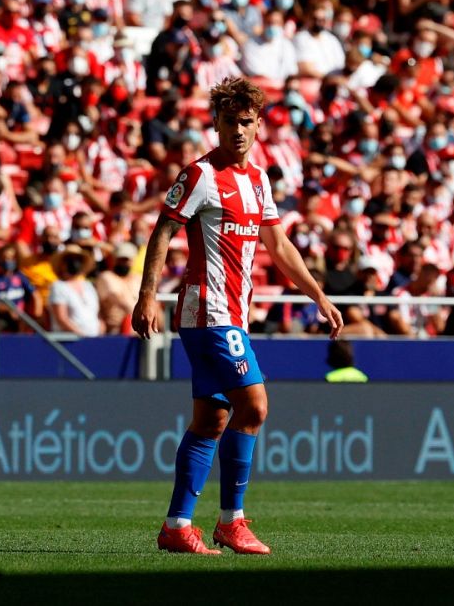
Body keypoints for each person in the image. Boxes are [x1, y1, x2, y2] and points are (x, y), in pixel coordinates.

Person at [131, 76, 343, 556]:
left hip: (233, 315)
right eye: (230, 123)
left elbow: (279, 245)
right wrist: (147, 296)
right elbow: (163, 232)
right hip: (207, 311)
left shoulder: (259, 179)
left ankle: (177, 527)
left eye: (247, 122)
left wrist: (318, 296)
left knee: (212, 419)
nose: (239, 132)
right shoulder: (200, 175)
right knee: (255, 407)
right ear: (217, 124)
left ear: (259, 125)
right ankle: (232, 521)